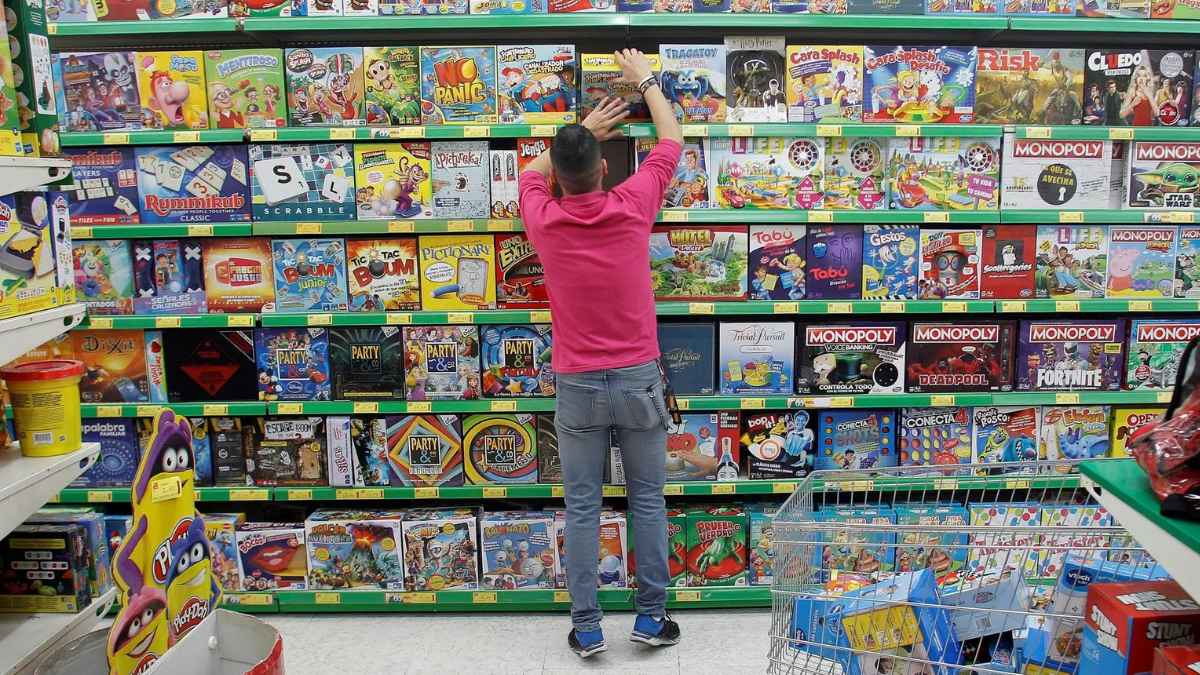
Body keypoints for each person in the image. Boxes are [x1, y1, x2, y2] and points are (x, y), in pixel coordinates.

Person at [518, 48, 684, 659]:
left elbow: (528, 176)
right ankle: (651, 618)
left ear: (560, 178)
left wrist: (579, 132)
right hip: (639, 379)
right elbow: (671, 138)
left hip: (577, 385)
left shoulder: (543, 216)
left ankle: (587, 627)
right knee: (647, 500)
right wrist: (647, 83)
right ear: (606, 173)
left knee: (583, 507)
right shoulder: (633, 205)